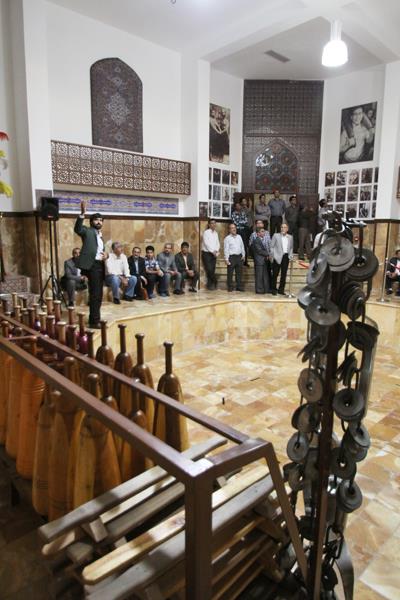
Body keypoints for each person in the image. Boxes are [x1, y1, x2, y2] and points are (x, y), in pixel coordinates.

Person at [74, 200, 106, 329]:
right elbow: (77, 229)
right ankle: (94, 321)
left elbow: (99, 251)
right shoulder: (87, 231)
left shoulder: (100, 235)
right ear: (91, 221)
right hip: (92, 266)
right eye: (96, 220)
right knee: (95, 294)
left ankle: (95, 317)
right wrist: (82, 214)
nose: (99, 222)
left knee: (98, 294)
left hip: (100, 265)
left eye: (101, 220)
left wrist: (106, 255)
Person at [270, 223, 293, 296]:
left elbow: (291, 248)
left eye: (285, 227)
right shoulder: (276, 235)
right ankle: (273, 289)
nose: (283, 228)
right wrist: (273, 256)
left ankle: (281, 290)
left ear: (287, 229)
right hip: (277, 257)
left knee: (284, 274)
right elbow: (271, 246)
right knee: (275, 274)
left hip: (286, 257)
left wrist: (290, 255)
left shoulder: (290, 237)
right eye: (282, 227)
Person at [224, 223, 245, 292]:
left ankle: (239, 286)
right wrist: (226, 259)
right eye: (232, 228)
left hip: (239, 257)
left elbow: (242, 246)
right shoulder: (227, 238)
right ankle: (230, 287)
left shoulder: (239, 237)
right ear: (229, 230)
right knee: (230, 273)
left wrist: (243, 255)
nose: (234, 229)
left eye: (234, 228)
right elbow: (226, 249)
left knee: (239, 273)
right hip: (231, 257)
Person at [201, 219, 220, 290]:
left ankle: (210, 285)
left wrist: (216, 250)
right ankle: (215, 281)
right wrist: (213, 251)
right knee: (209, 269)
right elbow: (206, 243)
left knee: (212, 270)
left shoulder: (216, 233)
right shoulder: (206, 232)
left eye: (214, 223)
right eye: (212, 223)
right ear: (209, 225)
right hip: (206, 253)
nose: (213, 224)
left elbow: (218, 243)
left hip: (214, 254)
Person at [231, 200, 250, 266]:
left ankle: (245, 261)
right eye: (237, 206)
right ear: (235, 207)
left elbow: (246, 221)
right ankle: (239, 261)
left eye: (239, 205)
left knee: (244, 245)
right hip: (237, 231)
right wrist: (242, 222)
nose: (238, 207)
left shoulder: (243, 213)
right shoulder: (233, 213)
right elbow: (235, 222)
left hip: (244, 231)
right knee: (238, 245)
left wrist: (240, 222)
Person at [252, 227, 271, 294]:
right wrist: (268, 254)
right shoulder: (256, 240)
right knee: (259, 276)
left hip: (263, 261)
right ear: (258, 233)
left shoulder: (262, 240)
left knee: (265, 276)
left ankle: (265, 289)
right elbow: (259, 251)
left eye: (264, 231)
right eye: (262, 231)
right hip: (259, 261)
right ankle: (259, 290)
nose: (264, 233)